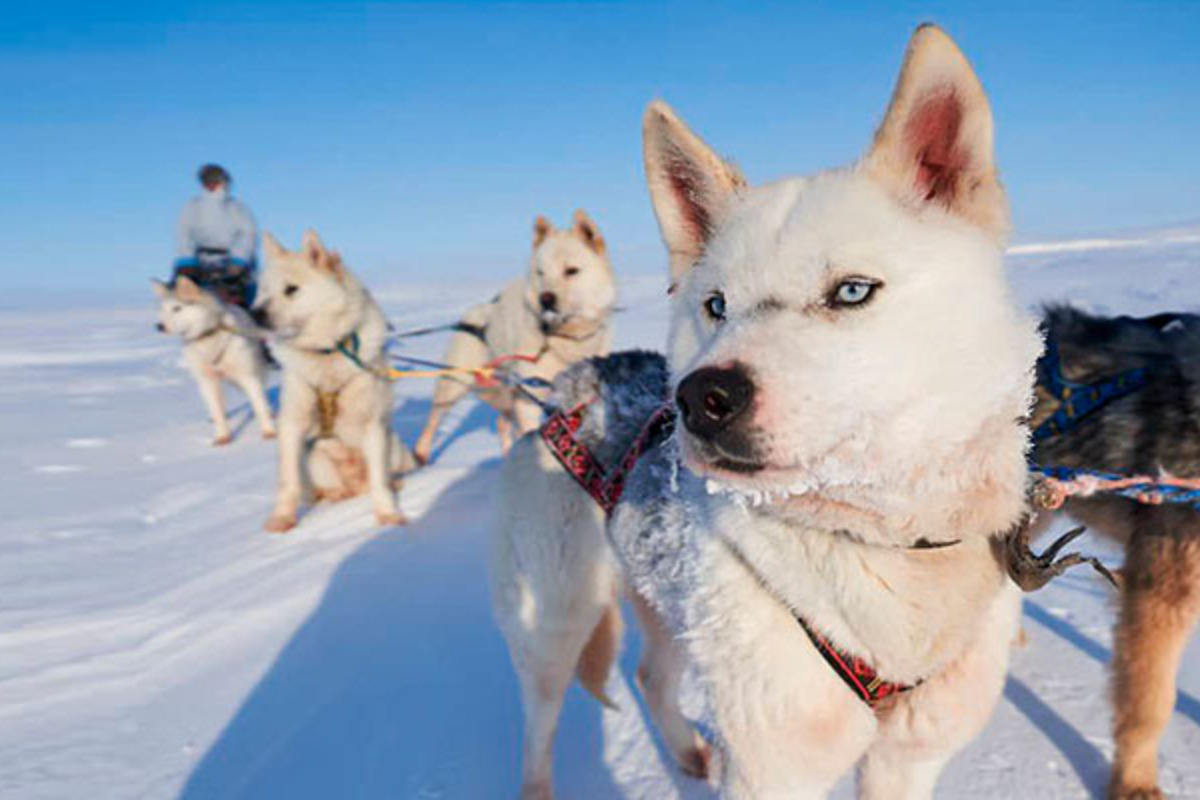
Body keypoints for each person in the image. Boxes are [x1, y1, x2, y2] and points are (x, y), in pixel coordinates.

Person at [172, 164, 259, 308]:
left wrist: (239, 260)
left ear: (224, 182)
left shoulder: (237, 208)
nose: (211, 184)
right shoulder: (193, 207)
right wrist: (187, 260)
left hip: (231, 262)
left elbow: (248, 234)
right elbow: (183, 233)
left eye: (215, 180)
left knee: (239, 295)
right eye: (207, 181)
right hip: (200, 261)